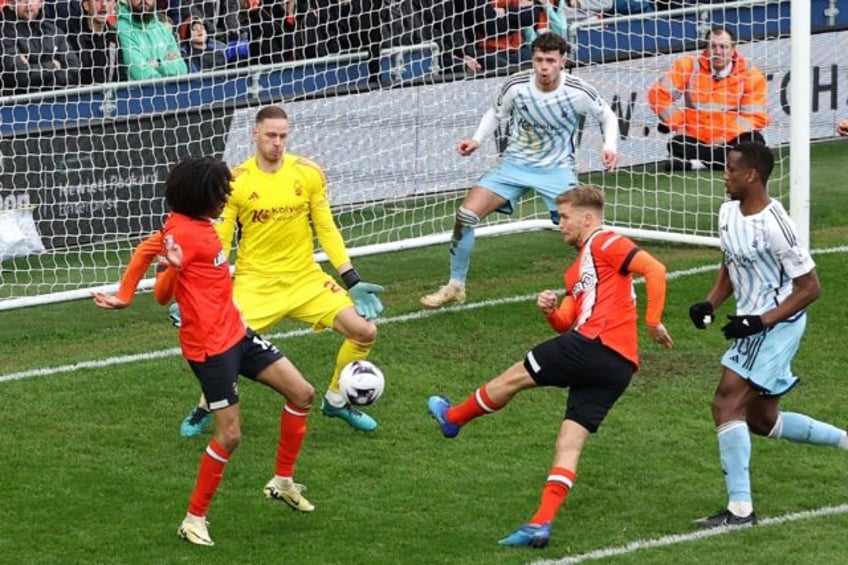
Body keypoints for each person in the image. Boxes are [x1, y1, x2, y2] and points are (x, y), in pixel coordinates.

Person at [95, 105, 385, 437]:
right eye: (271, 135)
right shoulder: (237, 181)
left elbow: (326, 227)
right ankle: (207, 405)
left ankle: (335, 400)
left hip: (306, 279)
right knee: (223, 348)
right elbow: (217, 239)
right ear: (255, 134)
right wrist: (192, 290)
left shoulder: (309, 173)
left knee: (365, 332)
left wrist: (351, 278)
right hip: (256, 283)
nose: (278, 143)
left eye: (283, 136)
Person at [427, 185, 673, 548]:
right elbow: (566, 323)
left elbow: (654, 268)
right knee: (569, 443)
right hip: (618, 367)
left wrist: (653, 322)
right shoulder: (576, 270)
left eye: (565, 217)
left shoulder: (606, 241)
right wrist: (550, 311)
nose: (559, 224)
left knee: (512, 377)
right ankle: (540, 524)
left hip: (593, 344)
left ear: (587, 218)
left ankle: (454, 419)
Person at [155, 156, 315, 547]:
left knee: (302, 393)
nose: (226, 198)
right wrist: (173, 269)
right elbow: (161, 297)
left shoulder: (206, 227)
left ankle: (282, 480)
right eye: (220, 193)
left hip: (236, 334)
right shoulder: (179, 234)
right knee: (229, 436)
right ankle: (193, 519)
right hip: (210, 350)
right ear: (201, 196)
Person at [687, 141, 848, 528]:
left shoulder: (778, 225)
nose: (724, 176)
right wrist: (710, 303)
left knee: (726, 402)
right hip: (752, 322)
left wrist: (761, 322)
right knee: (762, 419)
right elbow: (732, 262)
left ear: (751, 175)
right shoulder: (728, 212)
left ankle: (740, 510)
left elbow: (810, 287)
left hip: (778, 324)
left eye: (730, 170)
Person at [420, 31, 619, 309]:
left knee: (583, 231)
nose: (544, 67)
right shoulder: (516, 86)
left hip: (556, 170)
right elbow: (495, 112)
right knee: (466, 215)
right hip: (513, 165)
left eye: (550, 60)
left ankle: (605, 286)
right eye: (539, 60)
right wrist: (477, 139)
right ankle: (455, 286)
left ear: (563, 61)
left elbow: (607, 115)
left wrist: (610, 146)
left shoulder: (578, 91)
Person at [647, 27, 769, 171]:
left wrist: (724, 137)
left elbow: (755, 117)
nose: (717, 52)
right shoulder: (688, 66)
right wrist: (679, 124)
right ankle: (724, 161)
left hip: (731, 138)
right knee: (676, 143)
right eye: (713, 46)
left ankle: (696, 164)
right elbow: (657, 94)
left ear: (733, 49)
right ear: (706, 47)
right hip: (696, 137)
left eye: (723, 47)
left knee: (756, 141)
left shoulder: (751, 75)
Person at [0, 0, 81, 95]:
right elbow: (19, 76)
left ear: (41, 3)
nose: (28, 4)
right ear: (11, 4)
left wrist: (33, 72)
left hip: (55, 103)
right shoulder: (3, 32)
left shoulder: (54, 31)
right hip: (17, 106)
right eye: (22, 0)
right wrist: (53, 66)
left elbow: (74, 72)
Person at [116, 0, 189, 80]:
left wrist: (158, 64)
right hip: (137, 92)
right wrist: (167, 66)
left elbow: (182, 69)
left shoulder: (162, 28)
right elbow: (141, 75)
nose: (143, 1)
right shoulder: (121, 29)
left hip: (170, 91)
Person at [66, 0, 124, 85]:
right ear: (86, 5)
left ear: (114, 5)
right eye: (97, 0)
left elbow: (121, 76)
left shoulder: (113, 36)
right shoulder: (71, 35)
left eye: (108, 0)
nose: (103, 4)